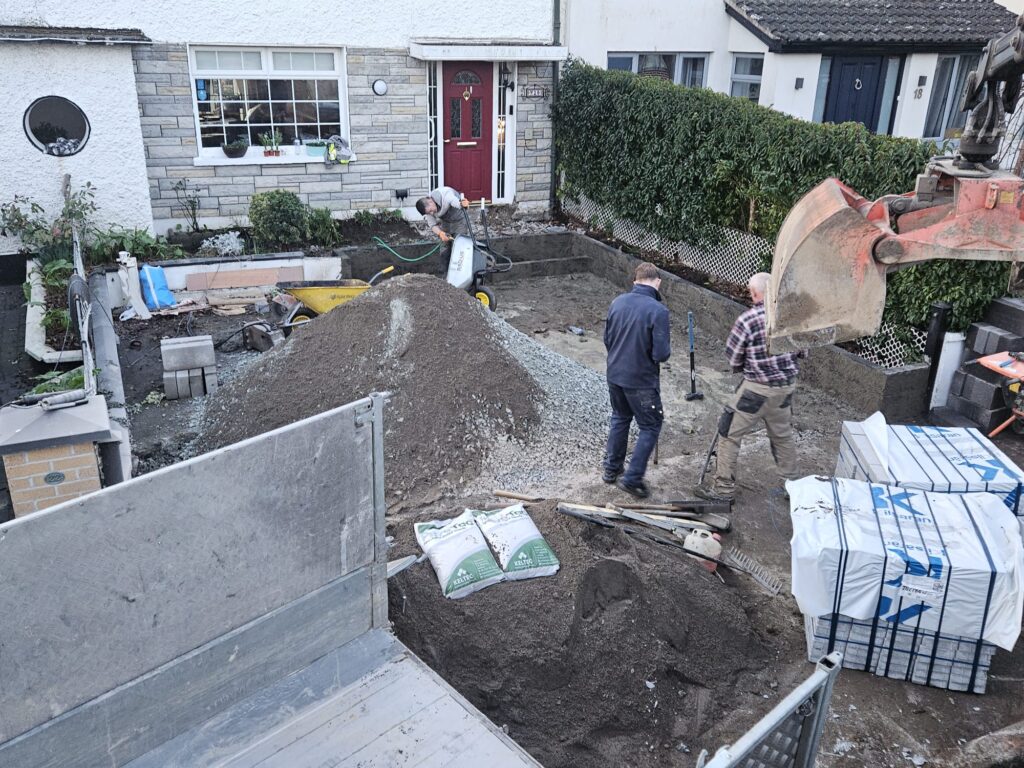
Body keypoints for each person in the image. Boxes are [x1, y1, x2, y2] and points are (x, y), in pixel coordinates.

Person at [697, 272, 803, 504]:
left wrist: (745, 366)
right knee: (782, 436)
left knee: (729, 432)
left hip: (756, 391)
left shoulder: (747, 320)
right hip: (785, 389)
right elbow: (803, 351)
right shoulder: (790, 318)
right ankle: (794, 487)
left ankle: (723, 490)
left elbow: (733, 357)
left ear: (755, 293)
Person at [602, 262, 671, 499]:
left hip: (615, 374)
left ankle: (611, 470)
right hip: (641, 381)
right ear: (657, 282)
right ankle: (632, 478)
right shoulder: (658, 311)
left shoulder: (617, 302)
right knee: (650, 425)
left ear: (635, 281)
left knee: (620, 417)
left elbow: (608, 340)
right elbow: (661, 354)